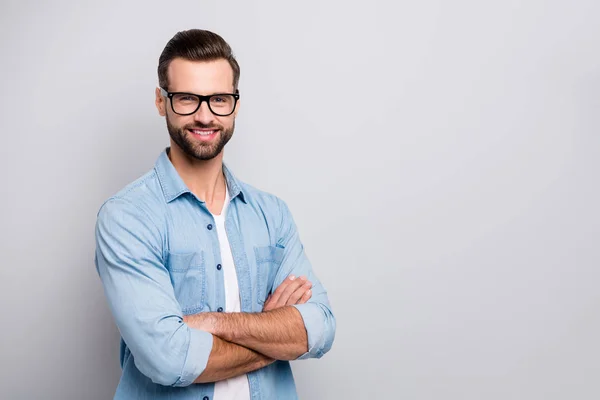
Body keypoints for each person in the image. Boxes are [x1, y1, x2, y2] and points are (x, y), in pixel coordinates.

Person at [94, 29, 336, 400]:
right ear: (161, 102)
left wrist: (213, 323)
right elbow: (169, 359)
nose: (205, 116)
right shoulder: (127, 218)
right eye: (188, 99)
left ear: (235, 104)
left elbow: (319, 329)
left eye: (219, 99)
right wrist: (274, 335)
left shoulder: (271, 214)